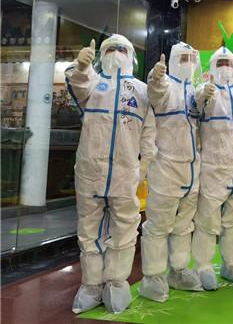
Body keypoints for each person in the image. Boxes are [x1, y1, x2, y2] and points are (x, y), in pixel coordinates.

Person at [66, 35, 156, 314]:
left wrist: (143, 167)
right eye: (110, 49)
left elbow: (149, 134)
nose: (116, 53)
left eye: (121, 49)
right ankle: (91, 285)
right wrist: (82, 67)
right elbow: (78, 85)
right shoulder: (92, 82)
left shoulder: (142, 91)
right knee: (88, 229)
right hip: (90, 171)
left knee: (125, 228)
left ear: (131, 55)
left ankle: (117, 282)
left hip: (125, 172)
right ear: (101, 55)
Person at [138, 43, 203, 302]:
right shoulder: (167, 87)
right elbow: (156, 91)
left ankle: (179, 270)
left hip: (191, 170)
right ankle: (153, 277)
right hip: (166, 168)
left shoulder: (195, 92)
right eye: (183, 58)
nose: (188, 63)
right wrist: (156, 76)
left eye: (191, 58)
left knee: (184, 225)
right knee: (158, 225)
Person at [192, 46, 233, 290]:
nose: (225, 68)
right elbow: (197, 105)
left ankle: (231, 264)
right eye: (220, 63)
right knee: (207, 217)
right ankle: (203, 266)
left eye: (228, 63)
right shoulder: (207, 91)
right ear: (212, 68)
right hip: (214, 166)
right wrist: (203, 95)